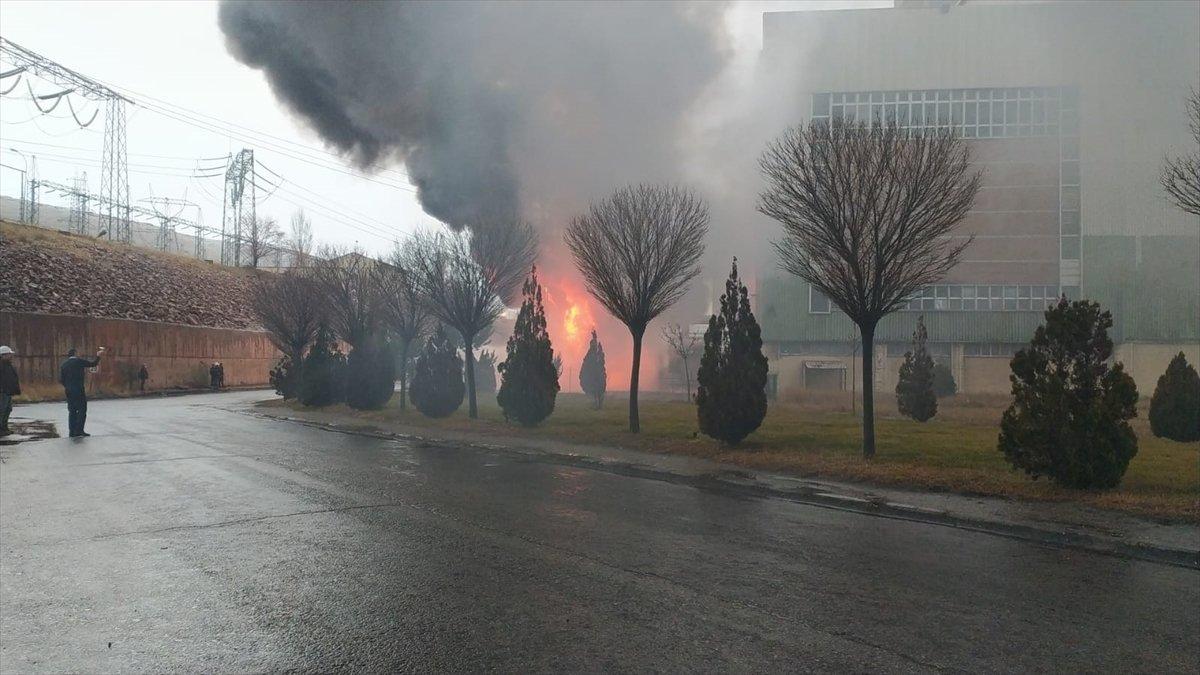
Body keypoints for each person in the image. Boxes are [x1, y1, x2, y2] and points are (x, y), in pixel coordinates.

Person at [60, 346, 104, 438]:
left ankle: (72, 431)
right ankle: (79, 430)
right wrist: (98, 356)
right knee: (82, 410)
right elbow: (93, 364)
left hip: (69, 390)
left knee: (72, 411)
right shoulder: (79, 362)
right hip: (79, 389)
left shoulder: (64, 365)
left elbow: (61, 379)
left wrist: (67, 386)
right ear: (75, 354)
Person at [0, 346, 20, 437]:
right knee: (2, 410)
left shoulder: (8, 365)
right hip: (2, 392)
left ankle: (4, 428)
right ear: (3, 355)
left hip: (8, 391)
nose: (11, 356)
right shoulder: (1, 366)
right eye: (9, 354)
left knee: (8, 409)